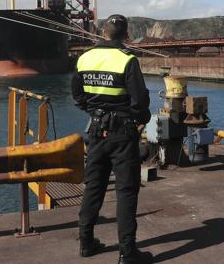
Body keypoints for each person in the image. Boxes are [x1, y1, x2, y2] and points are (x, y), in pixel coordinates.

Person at [71, 14, 153, 264]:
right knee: (126, 191)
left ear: (102, 33)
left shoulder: (84, 58)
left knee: (93, 187)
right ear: (126, 35)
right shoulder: (128, 60)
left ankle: (86, 243)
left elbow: (77, 95)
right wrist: (140, 119)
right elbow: (140, 102)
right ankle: (127, 254)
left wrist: (96, 113)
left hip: (96, 132)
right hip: (122, 133)